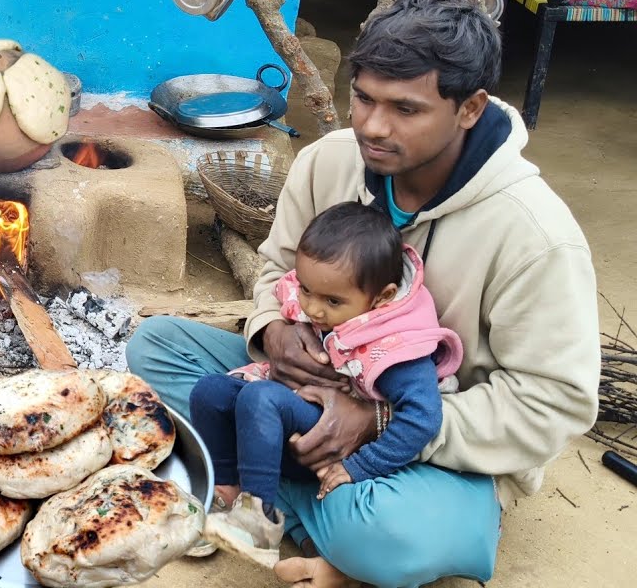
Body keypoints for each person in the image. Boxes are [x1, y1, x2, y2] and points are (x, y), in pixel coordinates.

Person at [127, 0, 599, 588]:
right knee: (155, 344)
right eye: (364, 98)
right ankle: (300, 507)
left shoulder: (534, 235)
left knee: (391, 537)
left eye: (405, 108)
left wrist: (375, 421)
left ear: (470, 108)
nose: (373, 126)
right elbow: (276, 271)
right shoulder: (327, 163)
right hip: (302, 390)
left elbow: (555, 401)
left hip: (427, 436)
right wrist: (273, 328)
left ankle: (279, 498)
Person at [193, 202, 463, 568]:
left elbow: (424, 417)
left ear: (381, 298)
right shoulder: (324, 292)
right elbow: (281, 293)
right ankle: (226, 489)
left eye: (332, 301)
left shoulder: (398, 346)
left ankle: (259, 521)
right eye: (306, 291)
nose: (314, 310)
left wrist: (361, 467)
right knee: (209, 392)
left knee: (261, 399)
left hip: (335, 444)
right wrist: (277, 329)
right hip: (289, 412)